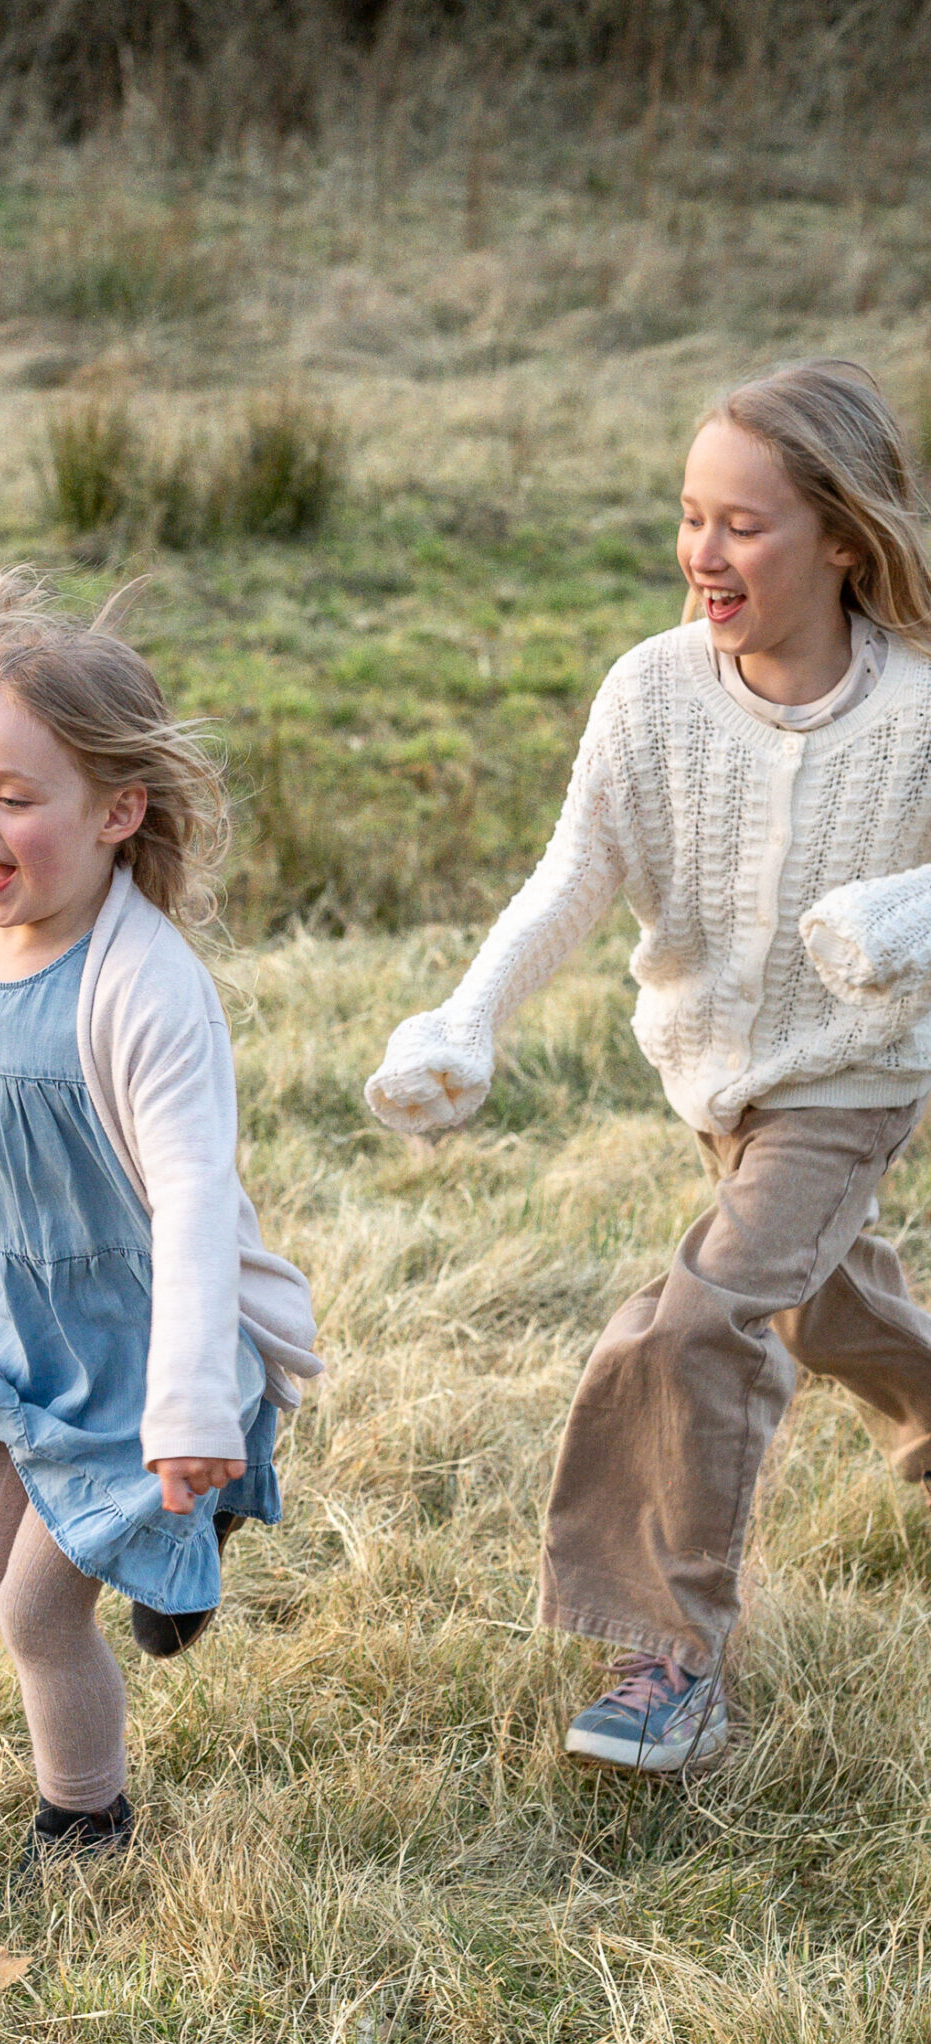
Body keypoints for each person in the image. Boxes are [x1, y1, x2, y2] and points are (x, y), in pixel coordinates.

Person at [366, 359, 931, 1776]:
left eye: (743, 523)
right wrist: (464, 1018)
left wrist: (896, 915)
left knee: (699, 1322)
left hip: (854, 1073)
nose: (702, 551)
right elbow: (575, 873)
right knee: (811, 1308)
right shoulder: (652, 691)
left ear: (842, 539)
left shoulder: (917, 708)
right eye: (691, 515)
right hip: (714, 1071)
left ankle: (667, 1662)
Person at [0, 567, 320, 1863]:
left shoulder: (147, 989)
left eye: (14, 798)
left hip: (131, 1338)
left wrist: (189, 1407)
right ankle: (179, 1531)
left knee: (35, 1613)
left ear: (115, 812)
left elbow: (195, 1203)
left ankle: (84, 1821)